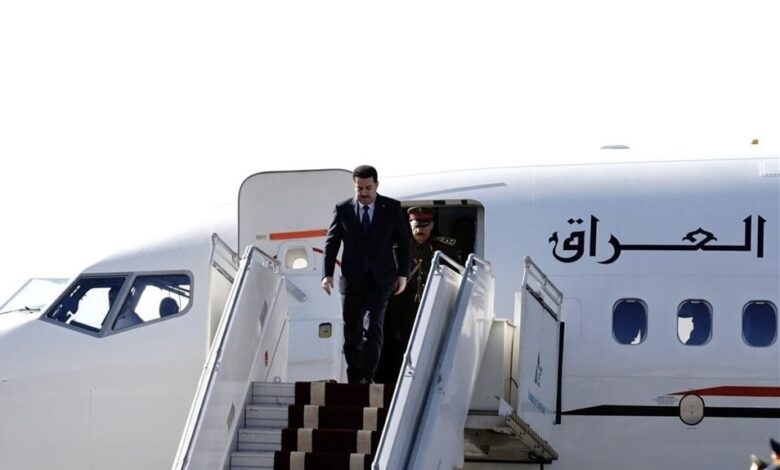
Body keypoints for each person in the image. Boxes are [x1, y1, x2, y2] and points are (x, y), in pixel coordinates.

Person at [321, 165, 410, 384]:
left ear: (376, 185)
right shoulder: (343, 209)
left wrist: (403, 274)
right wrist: (327, 274)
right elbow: (331, 243)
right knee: (352, 329)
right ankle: (355, 375)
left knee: (374, 327)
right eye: (359, 188)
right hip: (352, 279)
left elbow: (404, 243)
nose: (364, 192)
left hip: (381, 279)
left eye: (368, 188)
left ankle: (367, 377)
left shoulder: (391, 208)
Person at [376, 206, 463, 383]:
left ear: (432, 226)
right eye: (416, 225)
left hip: (435, 307)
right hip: (405, 309)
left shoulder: (446, 248)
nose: (419, 230)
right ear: (409, 224)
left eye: (424, 226)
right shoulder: (396, 248)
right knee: (404, 348)